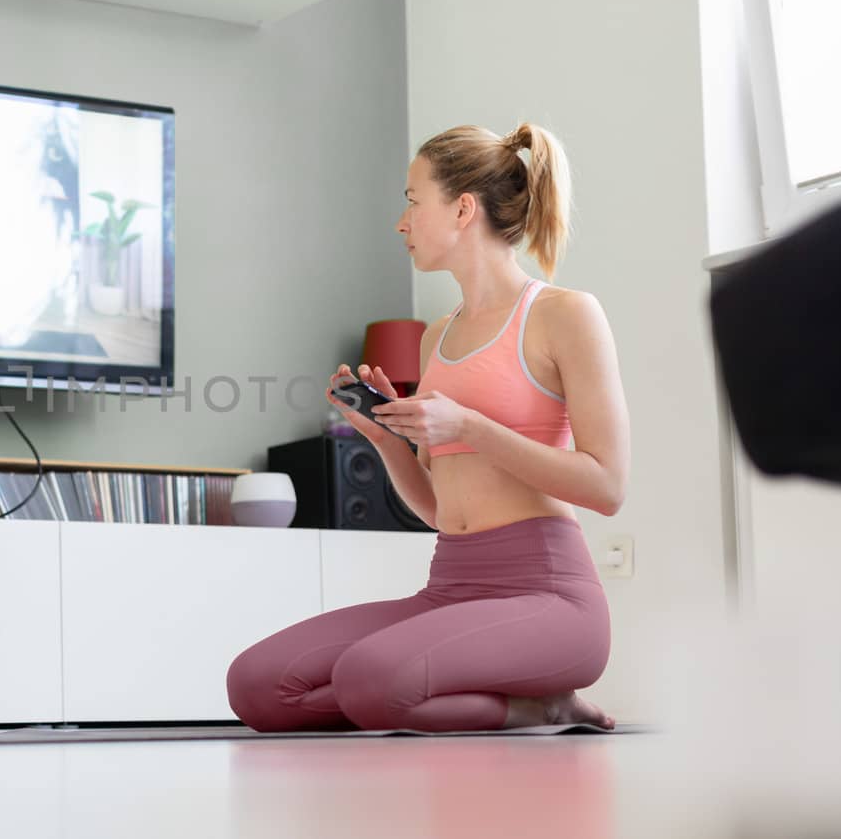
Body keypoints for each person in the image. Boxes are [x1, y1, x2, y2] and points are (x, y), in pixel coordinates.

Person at [228, 124, 630, 732]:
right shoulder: (436, 335)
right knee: (257, 684)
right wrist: (386, 438)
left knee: (371, 676)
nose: (402, 221)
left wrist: (470, 424)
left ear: (463, 208)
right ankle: (522, 704)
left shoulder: (564, 315)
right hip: (451, 588)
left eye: (413, 200)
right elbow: (442, 511)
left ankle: (543, 701)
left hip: (549, 597)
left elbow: (607, 486)